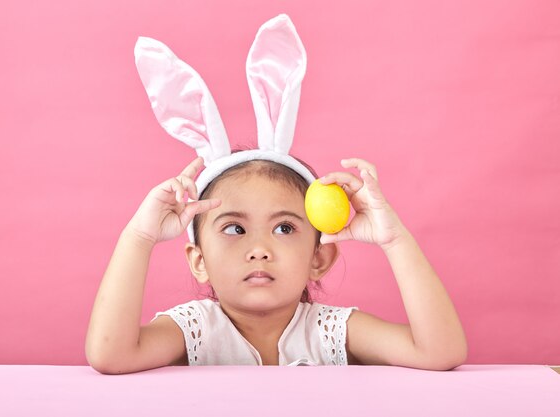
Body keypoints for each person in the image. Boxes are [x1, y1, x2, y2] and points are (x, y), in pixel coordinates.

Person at [85, 14, 467, 373]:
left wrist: (394, 238)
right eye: (235, 229)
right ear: (198, 260)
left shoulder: (331, 330)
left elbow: (440, 352)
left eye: (284, 228)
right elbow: (109, 354)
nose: (260, 249)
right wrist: (139, 237)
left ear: (319, 258)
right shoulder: (195, 329)